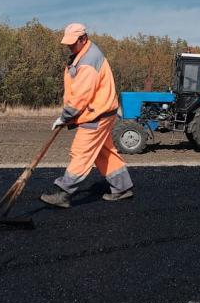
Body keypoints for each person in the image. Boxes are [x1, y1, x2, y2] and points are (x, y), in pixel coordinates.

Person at [40, 23, 134, 208]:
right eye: (68, 43)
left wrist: (65, 117)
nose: (69, 46)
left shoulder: (88, 61)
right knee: (103, 151)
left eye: (72, 42)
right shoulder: (83, 54)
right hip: (103, 111)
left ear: (83, 39)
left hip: (96, 114)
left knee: (81, 152)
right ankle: (122, 187)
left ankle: (64, 193)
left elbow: (80, 97)